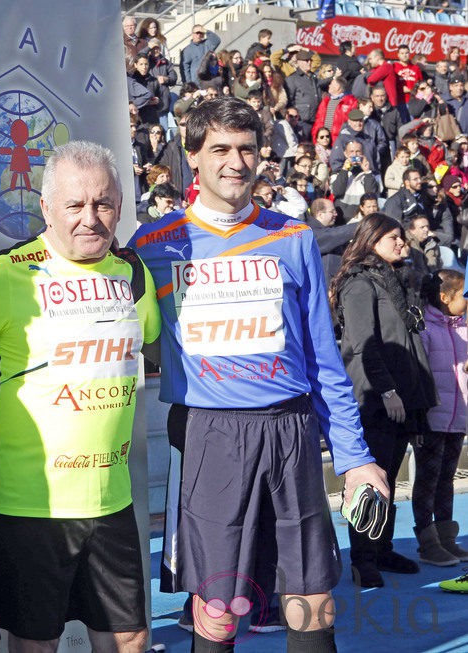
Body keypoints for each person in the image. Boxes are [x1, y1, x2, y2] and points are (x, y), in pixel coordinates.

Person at [132, 97, 387, 653]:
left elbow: (324, 359)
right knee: (217, 612)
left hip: (292, 429)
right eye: (219, 149)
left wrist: (356, 456)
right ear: (192, 157)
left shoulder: (293, 237)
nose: (236, 162)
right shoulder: (150, 246)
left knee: (311, 601)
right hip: (209, 433)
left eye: (247, 149)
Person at [0, 141, 159, 652]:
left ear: (120, 206)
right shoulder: (4, 274)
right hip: (30, 506)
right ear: (46, 207)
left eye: (103, 204)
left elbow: (153, 342)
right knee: (36, 645)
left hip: (111, 501)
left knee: (131, 640)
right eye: (75, 205)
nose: (91, 218)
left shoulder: (133, 274)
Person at [330, 214, 436, 588]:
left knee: (389, 476)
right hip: (376, 397)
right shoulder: (359, 284)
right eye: (394, 237)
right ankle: (363, 559)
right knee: (371, 480)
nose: (402, 243)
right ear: (372, 239)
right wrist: (388, 390)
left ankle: (383, 548)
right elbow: (364, 344)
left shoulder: (393, 282)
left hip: (401, 395)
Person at [416, 271, 468, 567]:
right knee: (427, 480)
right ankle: (427, 541)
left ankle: (447, 536)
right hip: (433, 418)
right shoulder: (425, 328)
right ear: (445, 297)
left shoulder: (463, 328)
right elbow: (422, 375)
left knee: (446, 479)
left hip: (457, 417)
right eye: (464, 294)